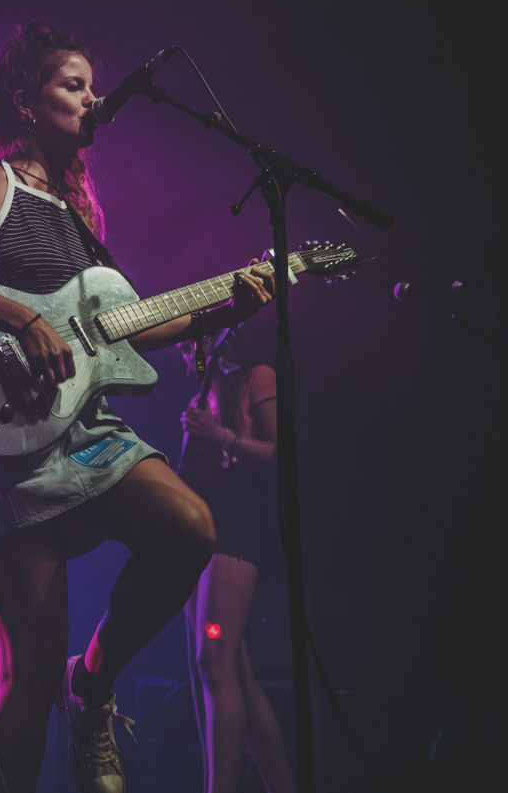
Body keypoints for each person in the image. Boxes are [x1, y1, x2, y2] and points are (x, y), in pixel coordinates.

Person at [0, 21, 277, 793]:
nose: (92, 100)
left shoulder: (84, 214)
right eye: (74, 85)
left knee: (190, 526)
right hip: (9, 438)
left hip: (89, 430)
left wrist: (230, 302)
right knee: (22, 677)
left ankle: (91, 683)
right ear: (26, 100)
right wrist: (20, 318)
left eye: (94, 88)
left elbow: (129, 326)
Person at [178, 332, 296, 793]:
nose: (188, 354)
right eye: (184, 348)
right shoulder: (200, 395)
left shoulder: (257, 377)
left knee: (214, 659)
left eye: (194, 343)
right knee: (233, 673)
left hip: (237, 521)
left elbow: (279, 454)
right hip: (198, 523)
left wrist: (220, 435)